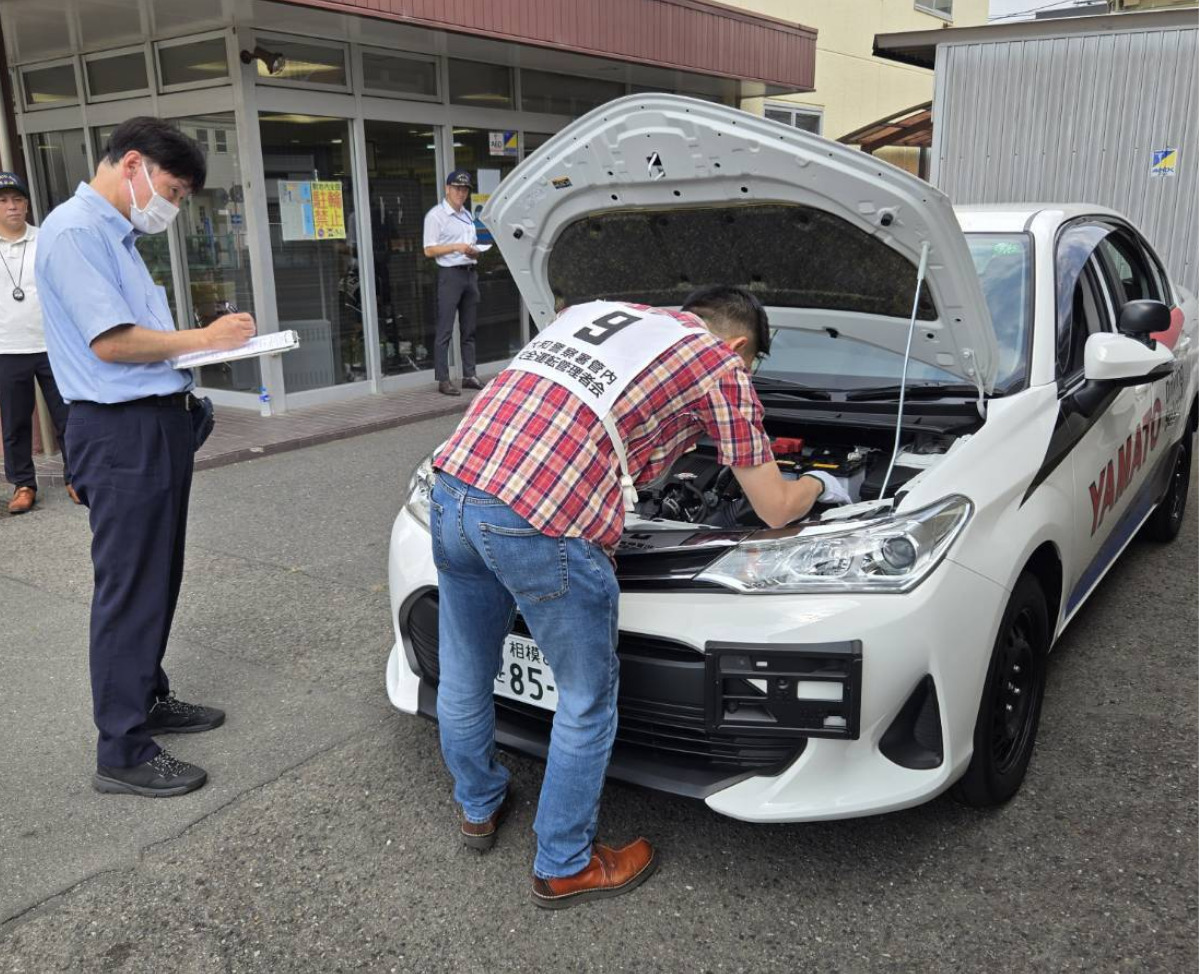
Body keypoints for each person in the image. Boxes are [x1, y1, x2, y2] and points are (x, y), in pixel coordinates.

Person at [430, 286, 843, 908]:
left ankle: (478, 807)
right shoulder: (718, 365)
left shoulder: (589, 313)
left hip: (449, 491)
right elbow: (775, 509)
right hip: (537, 522)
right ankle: (564, 864)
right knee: (586, 698)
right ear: (737, 347)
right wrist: (820, 482)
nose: (747, 377)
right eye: (751, 365)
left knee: (465, 670)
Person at [35, 117, 256, 798]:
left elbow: (141, 341)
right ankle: (123, 749)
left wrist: (203, 351)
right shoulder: (76, 232)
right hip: (120, 430)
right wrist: (205, 336)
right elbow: (114, 343)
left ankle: (148, 696)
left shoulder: (115, 236)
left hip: (153, 423)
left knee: (156, 574)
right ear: (131, 163)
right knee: (131, 587)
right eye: (173, 189)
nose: (174, 204)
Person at [0, 171, 77, 514]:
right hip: (6, 348)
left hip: (52, 345)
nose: (11, 206)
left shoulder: (46, 238)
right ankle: (23, 485)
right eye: (3, 201)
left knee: (69, 417)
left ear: (27, 204)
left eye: (17, 200)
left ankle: (77, 478)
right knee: (15, 422)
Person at [423, 170, 483, 397]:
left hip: (469, 272)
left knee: (469, 328)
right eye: (457, 188)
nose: (461, 193)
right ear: (447, 189)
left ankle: (469, 375)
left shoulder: (468, 215)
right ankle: (443, 379)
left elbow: (471, 244)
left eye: (465, 189)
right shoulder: (436, 216)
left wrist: (474, 252)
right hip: (450, 275)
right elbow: (429, 249)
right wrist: (456, 247)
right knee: (445, 329)